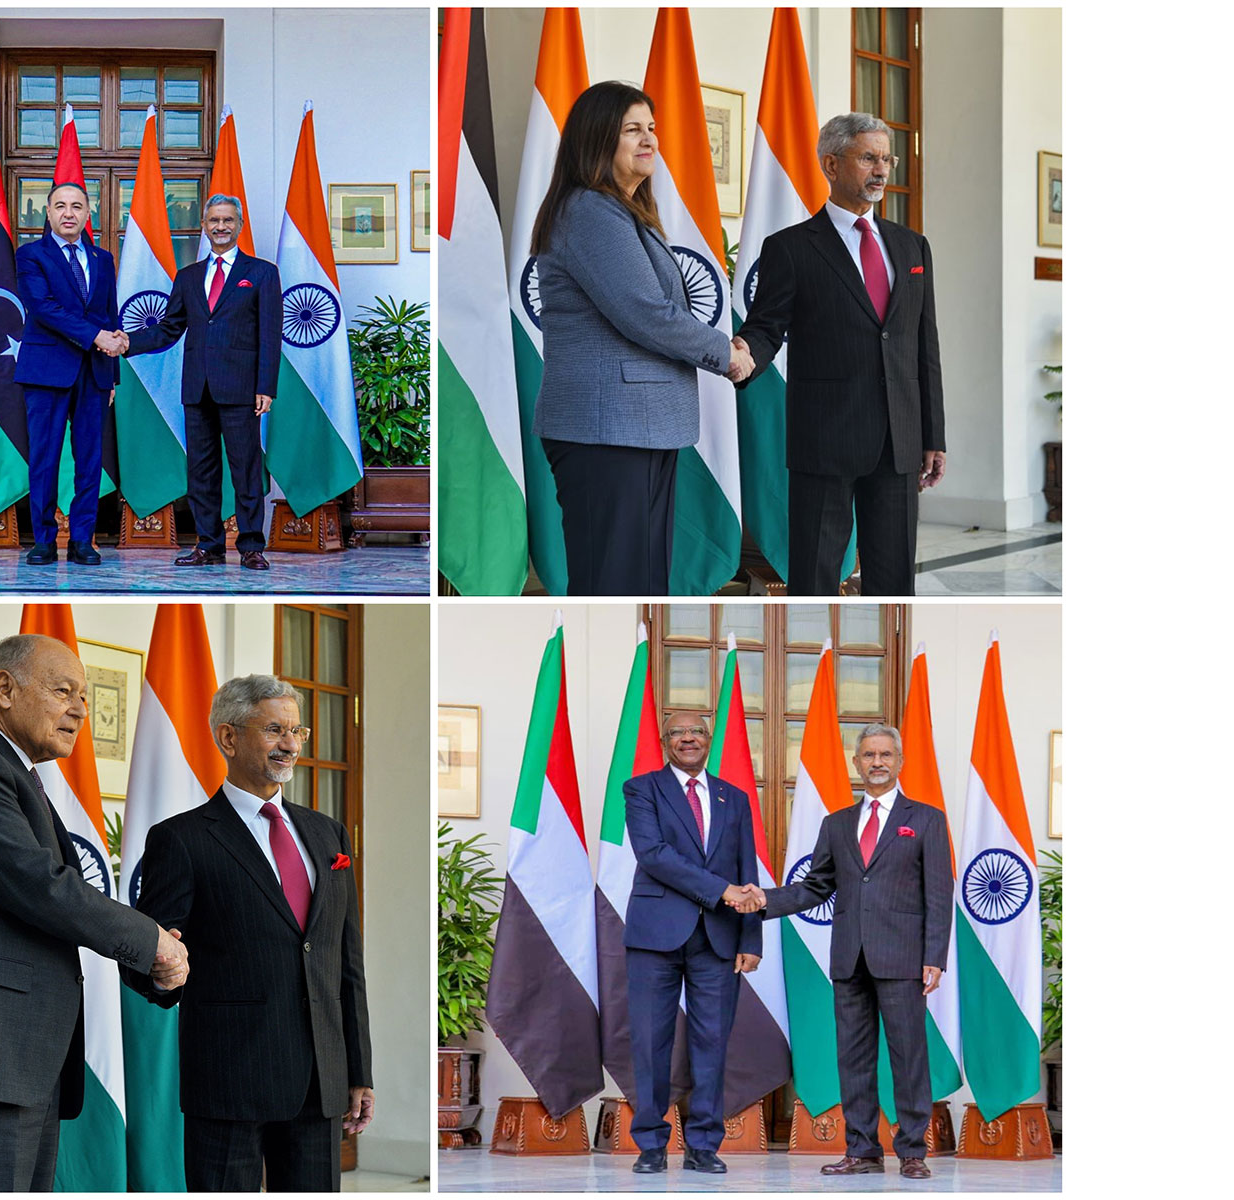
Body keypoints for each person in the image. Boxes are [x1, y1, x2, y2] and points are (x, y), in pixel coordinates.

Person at [0, 634, 189, 1191]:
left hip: (14, 1062)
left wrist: (152, 957)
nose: (79, 709)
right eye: (63, 691)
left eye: (85, 697)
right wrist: (151, 942)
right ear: (5, 688)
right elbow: (37, 886)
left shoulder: (21, 777)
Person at [122, 674, 372, 1191]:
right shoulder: (181, 839)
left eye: (297, 732)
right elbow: (147, 949)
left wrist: (358, 1069)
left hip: (319, 1082)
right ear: (228, 737)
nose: (289, 744)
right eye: (274, 729)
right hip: (229, 1081)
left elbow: (345, 961)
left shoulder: (329, 834)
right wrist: (161, 975)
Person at [528, 81, 753, 596]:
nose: (649, 139)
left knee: (639, 582)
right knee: (613, 584)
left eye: (651, 128)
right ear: (597, 139)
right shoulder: (590, 211)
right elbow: (647, 313)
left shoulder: (622, 210)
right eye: (633, 129)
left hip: (638, 426)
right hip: (605, 429)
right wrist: (727, 354)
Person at [732, 112, 946, 596]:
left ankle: (889, 665)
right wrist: (744, 353)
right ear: (831, 164)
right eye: (868, 157)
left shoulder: (912, 247)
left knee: (893, 582)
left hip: (899, 439)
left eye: (886, 158)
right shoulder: (790, 248)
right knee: (815, 576)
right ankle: (810, 665)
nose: (882, 170)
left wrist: (932, 434)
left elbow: (923, 345)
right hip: (825, 439)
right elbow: (767, 327)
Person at [731, 724, 950, 1180]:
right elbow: (815, 887)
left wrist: (935, 956)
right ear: (857, 762)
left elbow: (938, 894)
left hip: (903, 959)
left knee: (908, 1056)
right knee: (853, 1057)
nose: (877, 762)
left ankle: (912, 1151)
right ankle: (862, 1150)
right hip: (849, 959)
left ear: (899, 761)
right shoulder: (837, 824)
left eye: (885, 754)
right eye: (868, 754)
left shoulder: (925, 818)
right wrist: (764, 900)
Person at [621, 713, 761, 1175]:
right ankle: (651, 1144)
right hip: (655, 936)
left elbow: (747, 871)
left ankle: (703, 1144)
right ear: (665, 742)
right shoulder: (642, 789)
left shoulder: (734, 798)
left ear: (708, 740)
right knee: (650, 1043)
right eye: (679, 733)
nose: (688, 739)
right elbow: (655, 856)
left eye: (696, 732)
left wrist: (751, 936)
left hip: (719, 938)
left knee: (712, 1043)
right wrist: (721, 891)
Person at [125, 195, 281, 571]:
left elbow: (270, 335)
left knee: (245, 469)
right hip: (197, 390)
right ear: (204, 226)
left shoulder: (261, 272)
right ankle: (208, 545)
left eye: (228, 220)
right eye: (214, 220)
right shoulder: (189, 276)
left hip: (242, 389)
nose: (221, 227)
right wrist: (127, 342)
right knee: (201, 471)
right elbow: (168, 328)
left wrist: (266, 387)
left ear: (239, 225)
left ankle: (250, 546)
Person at [13, 184, 129, 566]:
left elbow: (110, 317)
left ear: (87, 213)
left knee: (89, 458)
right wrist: (95, 336)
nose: (68, 213)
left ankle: (83, 540)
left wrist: (111, 374)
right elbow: (43, 308)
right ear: (47, 212)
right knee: (44, 457)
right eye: (60, 206)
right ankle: (44, 539)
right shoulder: (31, 255)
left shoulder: (102, 258)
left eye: (76, 206)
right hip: (46, 371)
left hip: (94, 373)